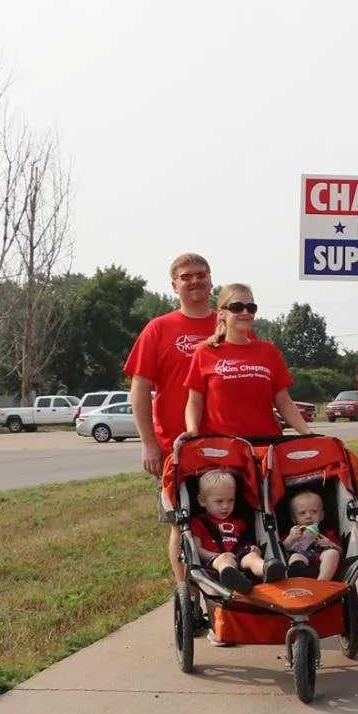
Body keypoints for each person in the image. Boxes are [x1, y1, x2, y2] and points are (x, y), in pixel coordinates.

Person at [126, 252, 215, 586]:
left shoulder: (228, 323)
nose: (195, 280)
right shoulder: (158, 329)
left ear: (210, 279)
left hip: (225, 442)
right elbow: (140, 389)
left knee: (228, 517)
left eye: (201, 274)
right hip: (174, 447)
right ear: (174, 285)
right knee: (183, 522)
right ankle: (188, 598)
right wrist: (149, 444)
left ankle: (224, 598)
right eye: (186, 275)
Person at [184, 285, 317, 439]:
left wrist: (307, 433)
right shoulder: (204, 352)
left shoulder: (268, 351)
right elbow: (194, 401)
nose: (245, 313)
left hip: (267, 443)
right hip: (224, 448)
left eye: (251, 308)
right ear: (222, 313)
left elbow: (283, 401)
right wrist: (192, 430)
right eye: (237, 307)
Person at [188, 468, 270, 593]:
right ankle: (231, 576)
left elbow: (244, 541)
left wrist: (253, 548)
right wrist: (217, 556)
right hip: (216, 559)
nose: (225, 506)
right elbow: (197, 549)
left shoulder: (239, 522)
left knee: (252, 557)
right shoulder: (198, 523)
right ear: (202, 501)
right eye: (219, 501)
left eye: (230, 500)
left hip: (240, 555)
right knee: (224, 560)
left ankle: (268, 571)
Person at [279, 488, 341, 581]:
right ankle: (301, 582)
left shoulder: (327, 533)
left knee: (333, 553)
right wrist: (290, 539)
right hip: (302, 562)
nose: (308, 516)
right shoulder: (291, 534)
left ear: (321, 515)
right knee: (294, 557)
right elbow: (281, 549)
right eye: (302, 513)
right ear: (294, 519)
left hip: (322, 563)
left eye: (314, 511)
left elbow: (341, 551)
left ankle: (322, 583)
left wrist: (330, 544)